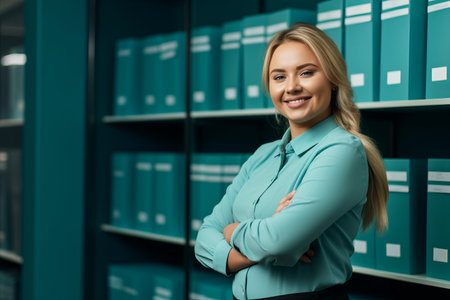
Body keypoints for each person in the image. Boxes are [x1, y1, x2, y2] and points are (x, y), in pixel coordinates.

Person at [194, 22, 388, 300]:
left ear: (332, 79)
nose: (292, 87)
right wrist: (260, 243)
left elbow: (279, 241)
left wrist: (232, 229)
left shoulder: (342, 151)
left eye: (306, 73)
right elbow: (204, 239)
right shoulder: (263, 155)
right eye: (279, 77)